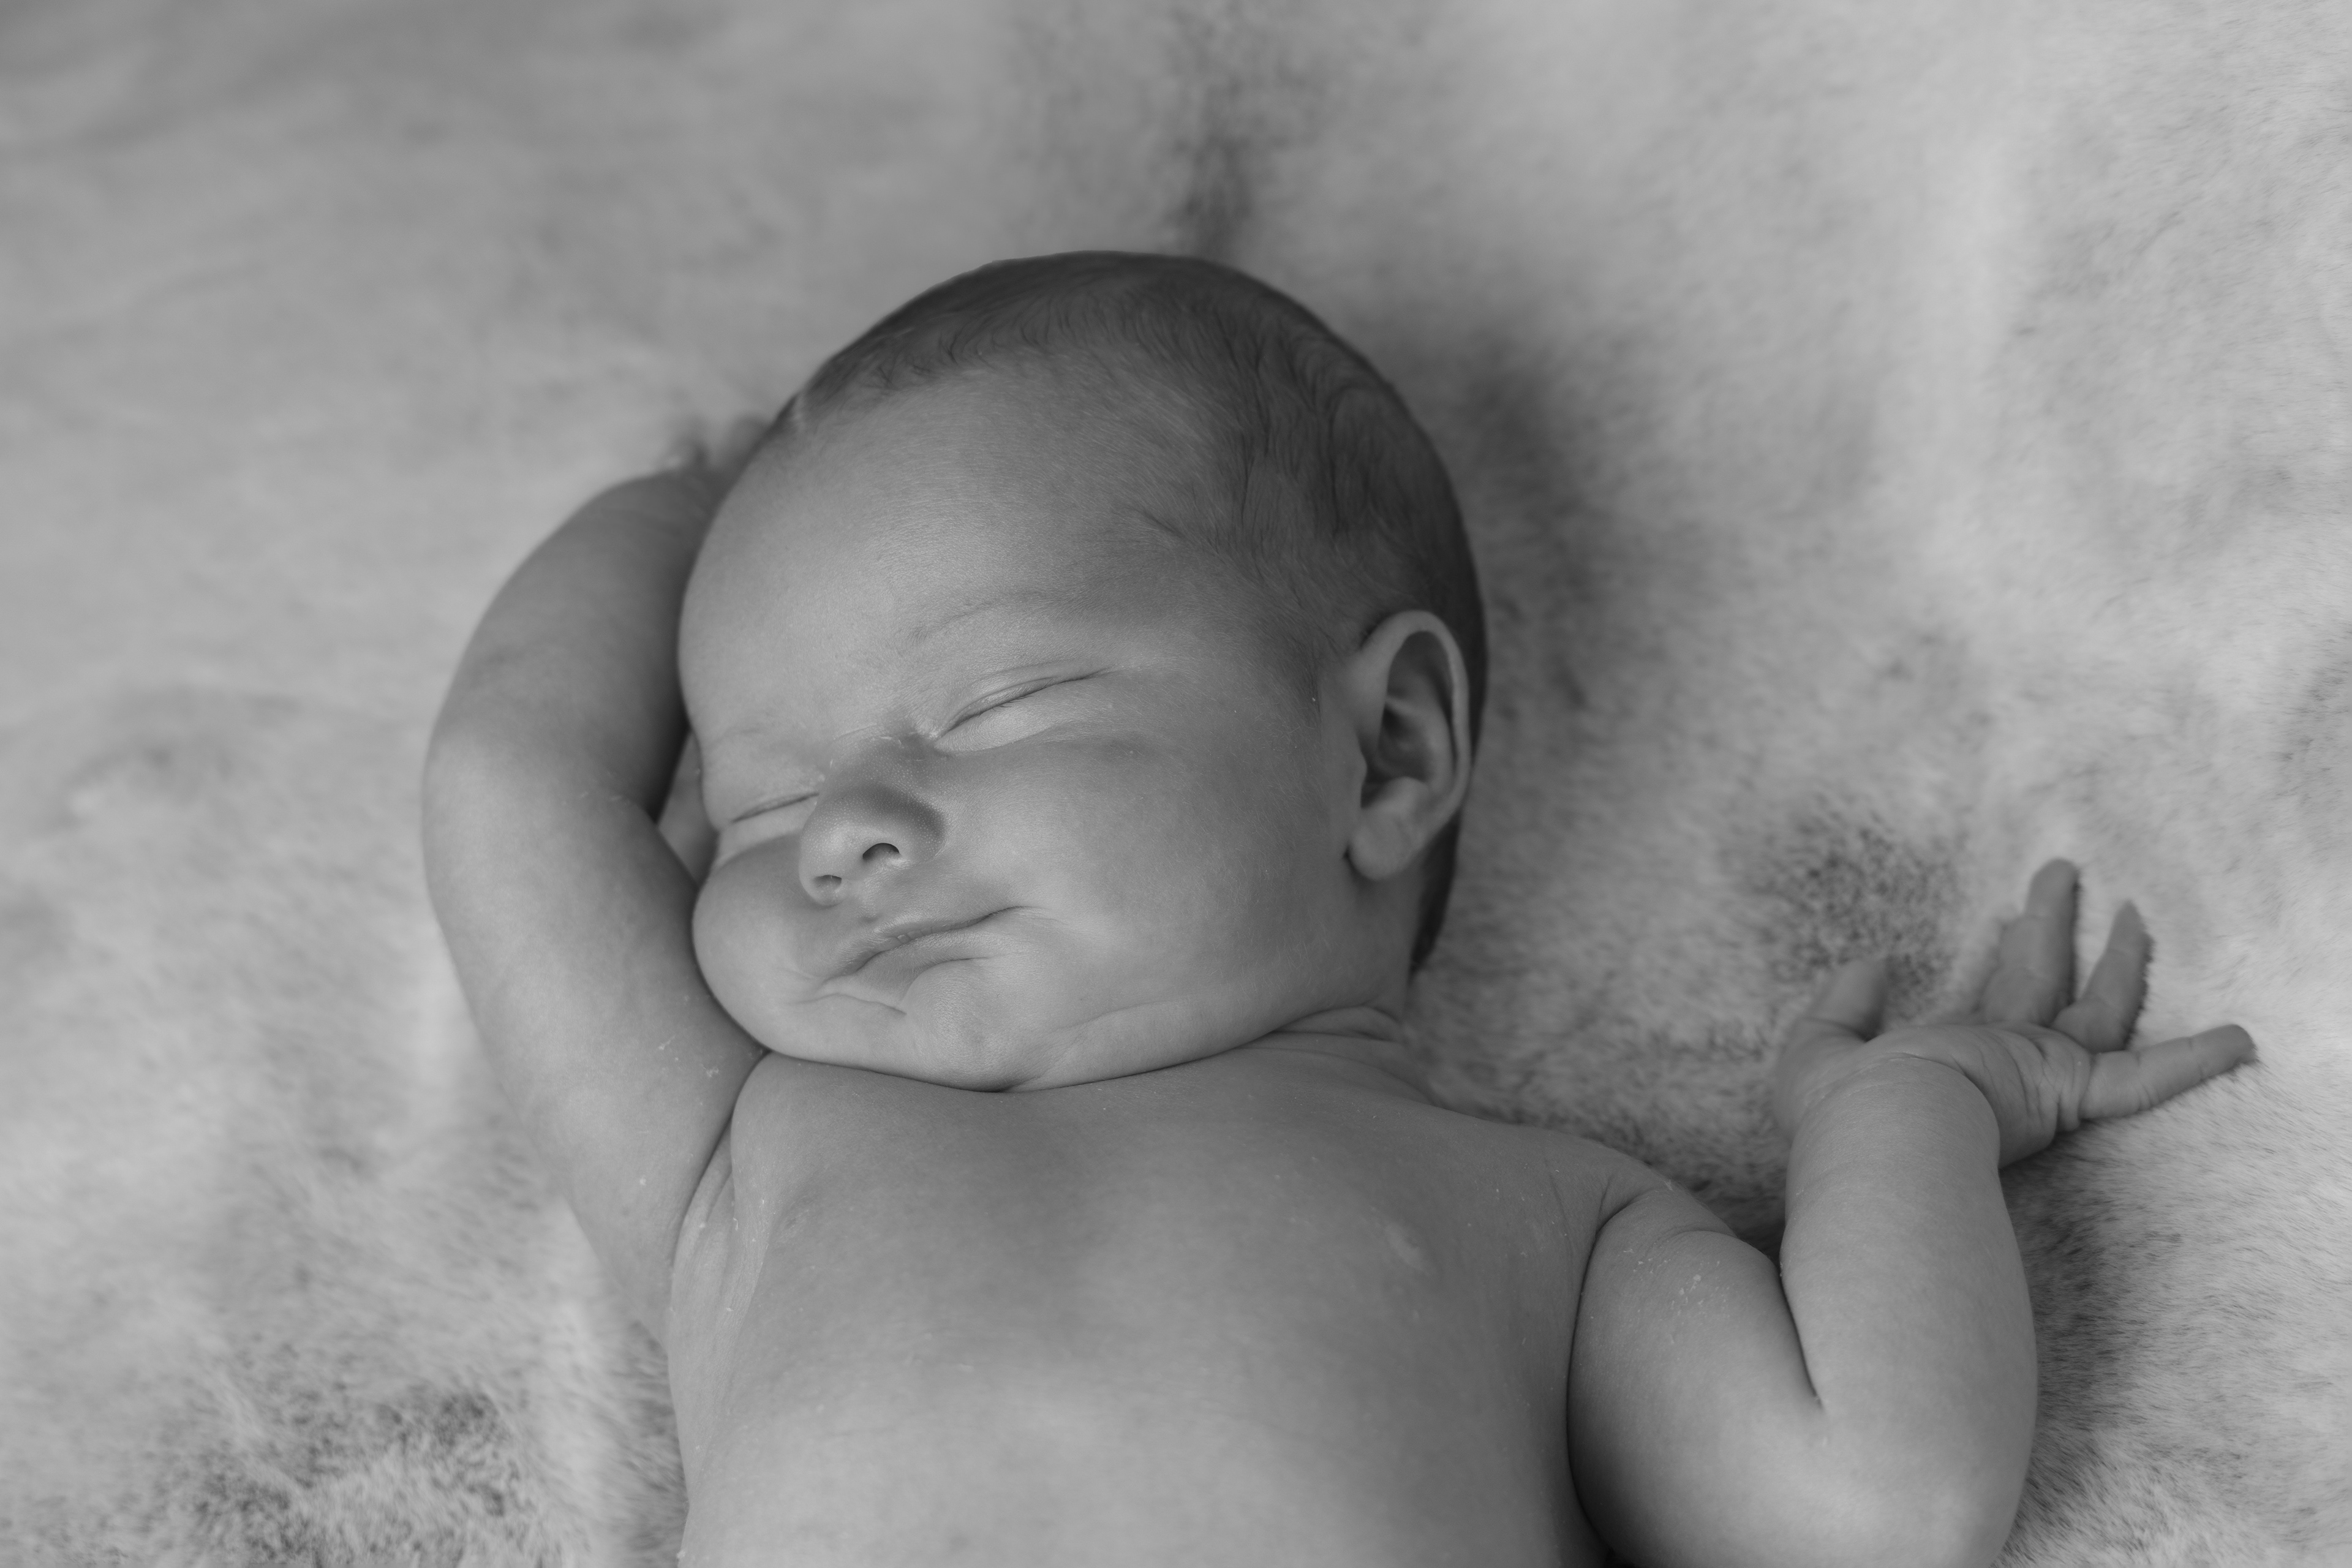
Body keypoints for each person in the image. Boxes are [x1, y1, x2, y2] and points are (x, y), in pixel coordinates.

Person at [421, 252, 2255, 1567]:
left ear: (1386, 751)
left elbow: (1871, 1509)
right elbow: (517, 780)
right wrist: (686, 492)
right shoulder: (732, 1164)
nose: (841, 837)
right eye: (758, 801)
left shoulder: (1551, 1225)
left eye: (992, 706)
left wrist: (1896, 1122)